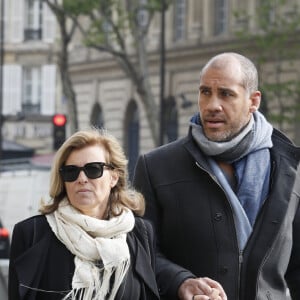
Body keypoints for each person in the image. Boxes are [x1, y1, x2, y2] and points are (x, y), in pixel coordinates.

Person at [133, 52, 300, 300]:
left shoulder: (291, 170)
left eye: (226, 93)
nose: (212, 105)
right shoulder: (156, 167)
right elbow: (139, 252)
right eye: (205, 92)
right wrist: (181, 282)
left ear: (253, 101)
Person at [9, 129, 160, 300]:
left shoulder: (140, 232)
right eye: (71, 171)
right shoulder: (31, 234)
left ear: (114, 177)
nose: (81, 178)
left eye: (93, 169)